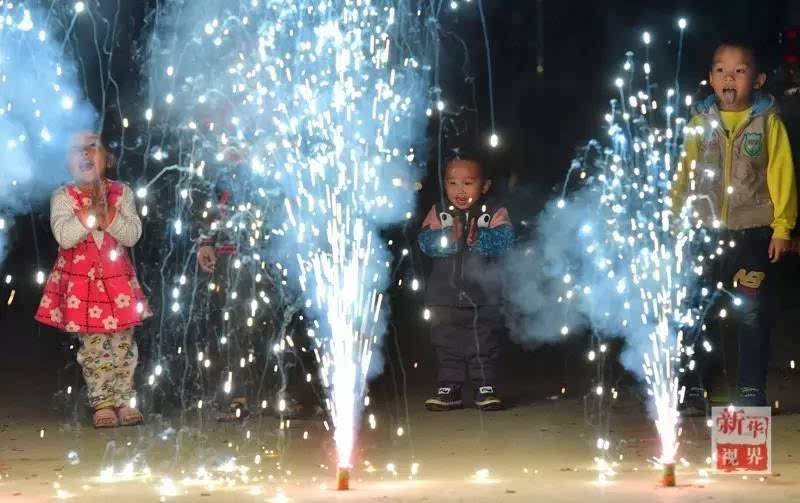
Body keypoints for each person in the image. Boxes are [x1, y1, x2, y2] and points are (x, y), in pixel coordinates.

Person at [671, 39, 798, 409]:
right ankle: (692, 388)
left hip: (753, 234)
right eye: (721, 70)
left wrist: (782, 228)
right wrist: (676, 217)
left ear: (757, 80)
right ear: (711, 78)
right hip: (702, 232)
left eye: (739, 71)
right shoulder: (698, 124)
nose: (730, 77)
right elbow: (684, 174)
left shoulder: (768, 124)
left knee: (751, 314)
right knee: (695, 310)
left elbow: (781, 176)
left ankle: (750, 390)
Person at [35, 131, 151, 428]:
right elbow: (64, 236)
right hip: (82, 288)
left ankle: (125, 399)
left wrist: (109, 213)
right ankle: (103, 402)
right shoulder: (62, 197)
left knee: (124, 346)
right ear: (66, 161)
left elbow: (132, 235)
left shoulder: (122, 192)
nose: (85, 153)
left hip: (118, 285)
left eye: (93, 147)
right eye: (77, 149)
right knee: (95, 347)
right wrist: (89, 214)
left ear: (108, 158)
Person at [418, 148, 515, 411]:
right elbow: (425, 242)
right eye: (452, 183)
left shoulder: (493, 211)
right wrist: (447, 239)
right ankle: (449, 387)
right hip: (443, 297)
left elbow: (506, 238)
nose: (459, 190)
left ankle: (485, 386)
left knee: (483, 342)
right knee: (445, 342)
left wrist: (479, 240)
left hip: (483, 296)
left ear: (484, 185)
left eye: (468, 183)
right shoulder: (439, 211)